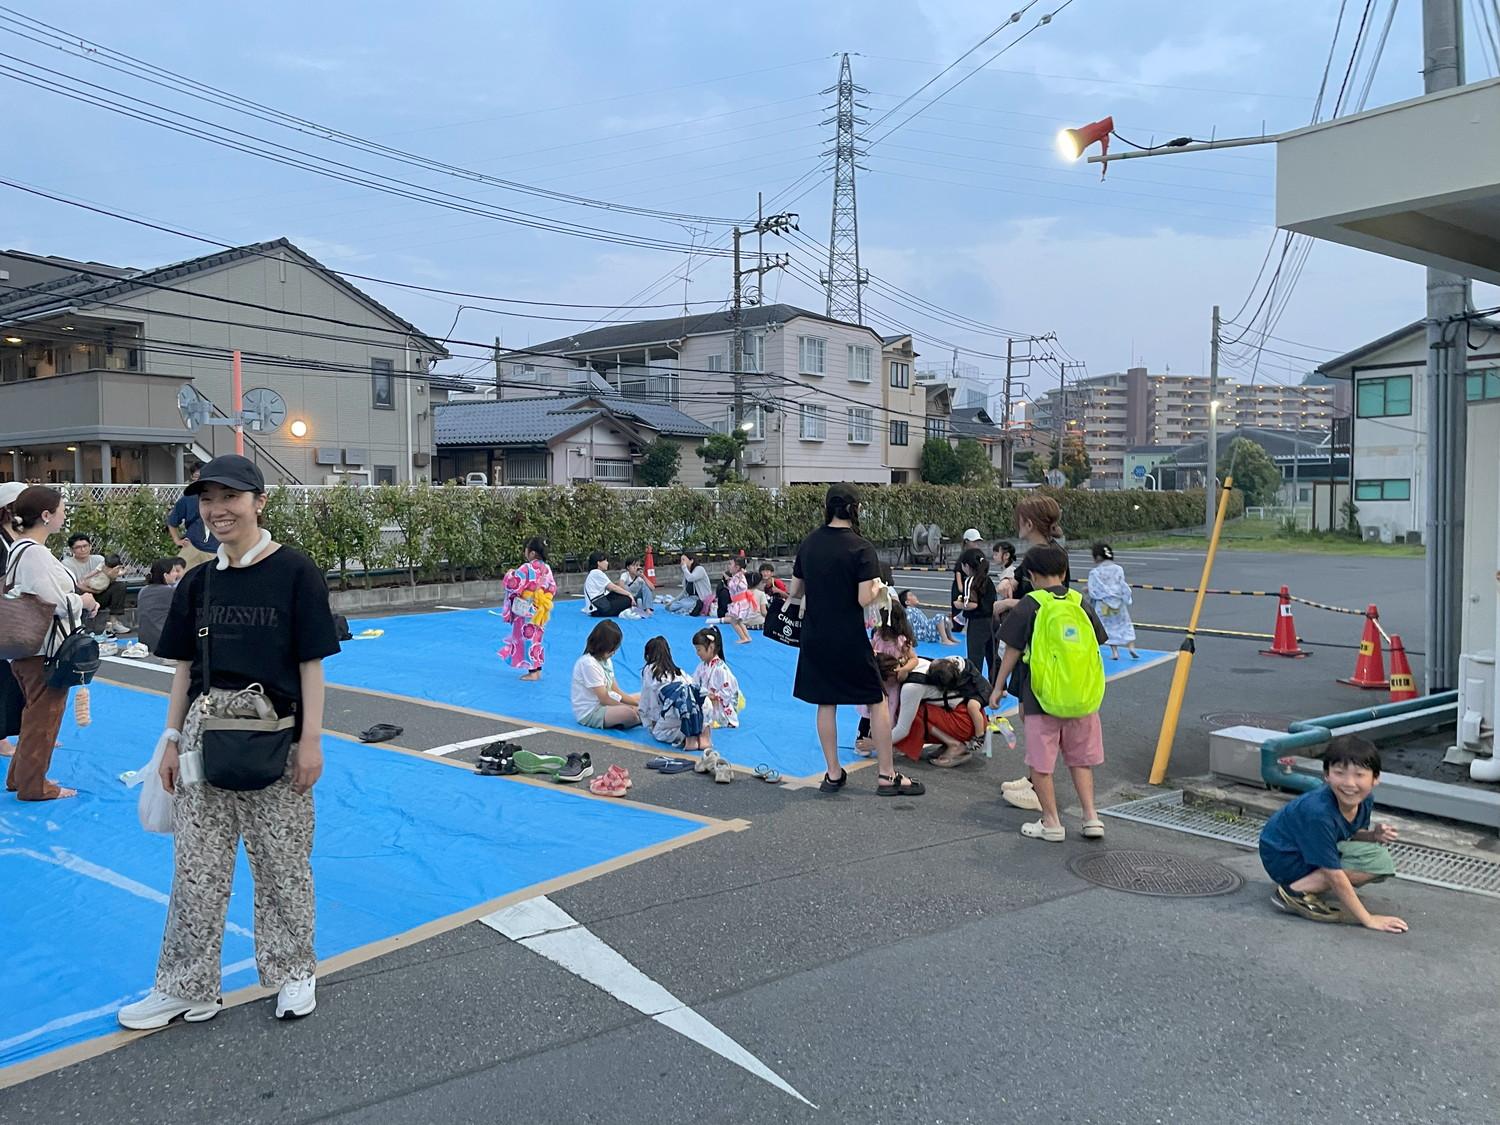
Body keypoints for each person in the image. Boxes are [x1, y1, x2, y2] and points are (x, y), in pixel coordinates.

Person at [117, 454, 341, 1030]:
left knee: (283, 863)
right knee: (196, 867)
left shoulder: (296, 571)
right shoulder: (198, 581)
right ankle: (186, 986)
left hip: (278, 735)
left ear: (259, 502)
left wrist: (311, 741)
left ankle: (293, 971)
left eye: (231, 497)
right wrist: (170, 739)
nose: (218, 510)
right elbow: (184, 671)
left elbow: (311, 664)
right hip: (203, 735)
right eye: (208, 499)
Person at [791, 483, 924, 797]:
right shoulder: (861, 548)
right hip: (848, 637)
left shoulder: (809, 543)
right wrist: (879, 587)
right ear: (855, 509)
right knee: (876, 699)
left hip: (814, 635)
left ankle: (833, 773)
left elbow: (795, 590)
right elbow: (865, 598)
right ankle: (887, 775)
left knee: (826, 702)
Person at [990, 544, 1109, 842]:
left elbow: (1012, 650)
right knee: (1080, 760)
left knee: (1041, 765)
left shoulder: (1031, 603)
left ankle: (1052, 822)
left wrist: (999, 686)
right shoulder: (1079, 602)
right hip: (1082, 697)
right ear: (1064, 572)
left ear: (1031, 576)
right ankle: (1091, 818)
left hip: (1041, 698)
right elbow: (1097, 641)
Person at [1259, 735, 1407, 932]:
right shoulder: (1318, 813)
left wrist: (1374, 836)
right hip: (1285, 859)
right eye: (1339, 773)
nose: (1349, 783)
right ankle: (1293, 892)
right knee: (1367, 863)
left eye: (1359, 775)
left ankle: (1308, 883)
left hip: (1302, 851)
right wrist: (1368, 919)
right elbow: (1333, 873)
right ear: (1327, 775)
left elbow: (1352, 833)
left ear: (1375, 778)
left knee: (1377, 858)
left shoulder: (1364, 800)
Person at [4, 486, 95, 800]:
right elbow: (52, 601)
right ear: (46, 515)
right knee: (44, 718)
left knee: (35, 715)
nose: (64, 515)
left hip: (29, 649)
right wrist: (83, 601)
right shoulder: (35, 553)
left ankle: (21, 777)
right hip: (45, 650)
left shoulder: (20, 549)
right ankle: (33, 785)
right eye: (61, 510)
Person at [994, 496, 1070, 797]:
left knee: (1037, 720)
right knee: (1029, 715)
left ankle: (1039, 786)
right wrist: (1010, 582)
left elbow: (1050, 599)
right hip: (1035, 646)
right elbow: (1025, 585)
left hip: (1040, 648)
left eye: (1019, 520)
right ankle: (1033, 779)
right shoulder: (1042, 554)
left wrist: (1008, 603)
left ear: (1028, 523)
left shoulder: (1048, 555)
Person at [880, 654, 985, 767]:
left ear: (891, 675)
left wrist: (876, 744)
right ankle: (949, 741)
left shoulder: (911, 687)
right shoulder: (916, 663)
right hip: (970, 713)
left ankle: (955, 745)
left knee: (909, 712)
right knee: (910, 708)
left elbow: (903, 729)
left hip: (965, 721)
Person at [498, 537, 556, 682]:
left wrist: (510, 574)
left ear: (532, 553)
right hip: (540, 608)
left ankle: (532, 672)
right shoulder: (546, 568)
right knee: (536, 639)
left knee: (527, 639)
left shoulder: (526, 568)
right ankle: (537, 669)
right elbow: (552, 587)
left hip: (526, 609)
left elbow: (513, 585)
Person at [638, 636, 711, 751]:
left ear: (647, 656)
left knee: (659, 733)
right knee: (695, 712)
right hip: (703, 703)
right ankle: (703, 732)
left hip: (678, 707)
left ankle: (685, 736)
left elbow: (650, 701)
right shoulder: (678, 671)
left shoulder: (650, 670)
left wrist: (653, 724)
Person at [570, 620, 641, 729]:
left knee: (643, 696)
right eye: (612, 649)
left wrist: (636, 703)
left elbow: (615, 690)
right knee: (628, 713)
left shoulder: (605, 660)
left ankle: (640, 716)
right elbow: (604, 699)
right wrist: (632, 707)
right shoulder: (588, 664)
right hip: (591, 711)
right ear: (603, 646)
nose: (615, 652)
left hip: (607, 701)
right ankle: (641, 718)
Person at [0, 480, 28, 759]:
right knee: (3, 678)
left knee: (19, 677)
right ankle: (1, 738)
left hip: (15, 615)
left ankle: (25, 730)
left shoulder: (19, 538)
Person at [61, 533, 129, 635]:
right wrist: (94, 591)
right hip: (82, 596)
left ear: (90, 547)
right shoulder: (67, 564)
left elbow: (109, 578)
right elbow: (75, 585)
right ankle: (80, 627)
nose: (83, 549)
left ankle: (113, 623)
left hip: (100, 593)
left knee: (119, 586)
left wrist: (114, 573)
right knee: (76, 593)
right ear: (72, 550)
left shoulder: (99, 559)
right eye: (78, 547)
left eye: (85, 546)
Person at [1087, 542, 1138, 660]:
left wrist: (1087, 590)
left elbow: (1094, 590)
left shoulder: (1095, 572)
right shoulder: (1118, 569)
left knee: (1108, 628)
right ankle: (1131, 647)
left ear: (1098, 557)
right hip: (1118, 603)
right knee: (1125, 624)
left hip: (1104, 605)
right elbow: (1121, 584)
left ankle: (1115, 652)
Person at [955, 547, 998, 685]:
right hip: (993, 621)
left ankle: (975, 685)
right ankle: (999, 686)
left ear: (967, 566)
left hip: (978, 623)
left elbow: (972, 604)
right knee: (993, 655)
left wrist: (959, 605)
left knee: (975, 656)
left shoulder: (970, 581)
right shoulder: (987, 580)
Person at [165, 463, 218, 571]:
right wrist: (177, 540)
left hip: (216, 547)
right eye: (196, 476)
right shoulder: (187, 499)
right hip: (192, 545)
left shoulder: (219, 498)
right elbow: (172, 521)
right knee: (180, 573)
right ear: (192, 478)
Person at [691, 626, 741, 728]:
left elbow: (729, 690)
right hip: (706, 701)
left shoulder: (721, 669)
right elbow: (694, 681)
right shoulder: (702, 666)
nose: (697, 653)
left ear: (711, 647)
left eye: (699, 649)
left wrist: (713, 696)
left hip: (717, 706)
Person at [136, 556, 187, 655]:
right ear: (165, 575)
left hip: (143, 639)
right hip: (163, 640)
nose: (176, 574)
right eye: (173, 571)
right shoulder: (169, 591)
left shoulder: (143, 590)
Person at [948, 528, 985, 637]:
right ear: (967, 542)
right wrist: (962, 590)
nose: (977, 544)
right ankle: (956, 632)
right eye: (974, 541)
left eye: (978, 541)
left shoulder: (980, 556)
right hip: (962, 588)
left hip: (973, 587)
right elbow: (958, 575)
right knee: (958, 616)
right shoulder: (963, 558)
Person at [583, 551, 637, 618]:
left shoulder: (594, 573)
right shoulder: (597, 573)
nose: (607, 563)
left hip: (598, 602)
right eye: (605, 560)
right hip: (598, 608)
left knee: (619, 594)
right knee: (627, 600)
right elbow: (614, 587)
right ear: (599, 563)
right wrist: (629, 594)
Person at [719, 558, 755, 644]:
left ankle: (743, 638)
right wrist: (728, 578)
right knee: (739, 621)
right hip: (741, 601)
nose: (729, 566)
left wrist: (730, 581)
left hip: (739, 602)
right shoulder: (738, 576)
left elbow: (738, 586)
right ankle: (747, 637)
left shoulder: (738, 576)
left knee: (733, 621)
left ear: (737, 567)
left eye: (730, 564)